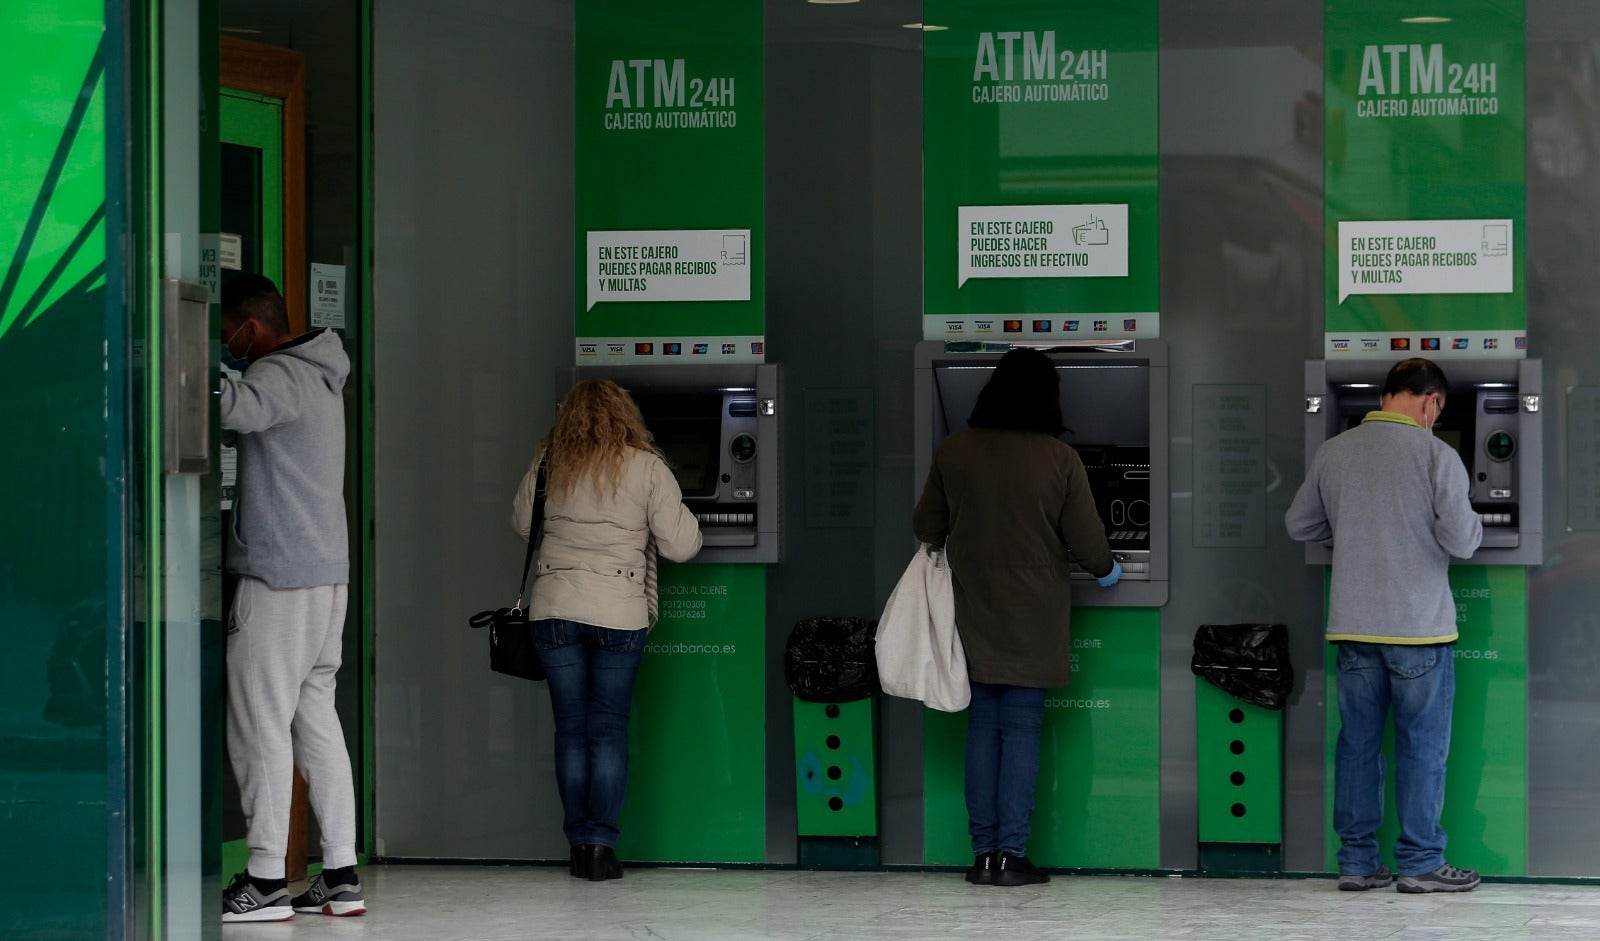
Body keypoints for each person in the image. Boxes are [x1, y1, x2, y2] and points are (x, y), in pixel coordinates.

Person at [912, 347, 1121, 888]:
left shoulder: (954, 450)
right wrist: (1109, 570)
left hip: (973, 608)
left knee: (981, 729)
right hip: (1033, 615)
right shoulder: (1059, 459)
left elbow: (927, 526)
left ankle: (982, 856)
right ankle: (1011, 856)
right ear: (1047, 398)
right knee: (1022, 731)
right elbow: (1091, 549)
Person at [1286, 357, 1484, 894]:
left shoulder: (1334, 451)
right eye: (1438, 409)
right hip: (1419, 630)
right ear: (1430, 402)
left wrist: (1353, 531)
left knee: (1358, 745)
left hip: (1353, 627)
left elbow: (1299, 523)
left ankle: (1357, 861)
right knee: (1421, 746)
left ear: (1383, 398)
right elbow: (1463, 541)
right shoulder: (1436, 455)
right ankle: (1420, 863)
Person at [218, 274, 366, 921]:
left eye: (227, 336)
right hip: (328, 577)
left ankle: (265, 880)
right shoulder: (322, 373)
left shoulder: (276, 374)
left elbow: (228, 408)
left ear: (251, 331)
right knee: (316, 720)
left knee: (260, 723)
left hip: (279, 580)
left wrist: (180, 348)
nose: (229, 348)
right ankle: (340, 873)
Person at [512, 378, 702, 881]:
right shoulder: (647, 468)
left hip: (554, 611)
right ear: (626, 416)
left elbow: (522, 524)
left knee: (571, 730)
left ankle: (579, 846)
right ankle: (599, 847)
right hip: (618, 613)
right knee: (608, 730)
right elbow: (682, 545)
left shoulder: (551, 463)